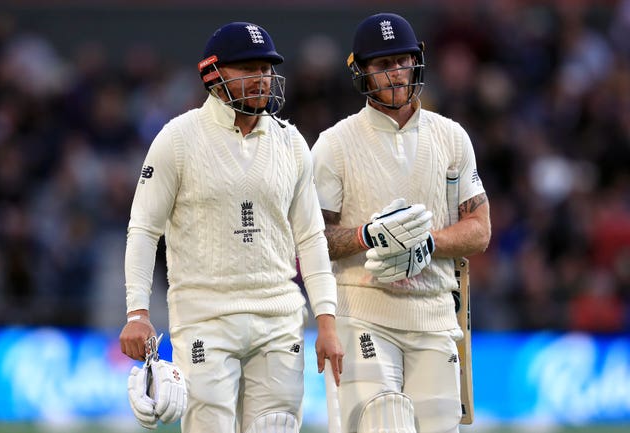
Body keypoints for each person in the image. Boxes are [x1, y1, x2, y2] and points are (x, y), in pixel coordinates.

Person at [119, 21, 343, 433]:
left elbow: (311, 237)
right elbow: (143, 229)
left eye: (266, 68)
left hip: (278, 315)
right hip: (205, 315)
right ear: (213, 75)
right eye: (249, 69)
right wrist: (137, 312)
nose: (262, 79)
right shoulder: (178, 139)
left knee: (276, 426)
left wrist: (327, 319)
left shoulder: (292, 142)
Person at [311, 12, 491, 433]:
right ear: (361, 71)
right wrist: (367, 235)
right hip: (362, 312)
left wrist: (428, 242)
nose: (395, 73)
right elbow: (313, 238)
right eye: (382, 65)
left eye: (403, 61)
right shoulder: (334, 144)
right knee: (383, 423)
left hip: (435, 313)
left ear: (417, 62)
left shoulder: (451, 136)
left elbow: (479, 228)